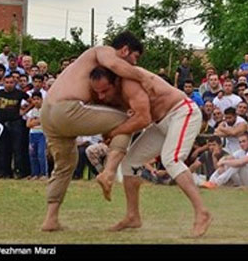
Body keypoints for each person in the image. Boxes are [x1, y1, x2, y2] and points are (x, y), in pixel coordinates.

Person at [38, 31, 153, 232]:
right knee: (129, 121)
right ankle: (108, 172)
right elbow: (118, 65)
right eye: (135, 57)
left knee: (65, 164)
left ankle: (50, 219)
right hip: (67, 109)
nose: (134, 64)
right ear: (125, 50)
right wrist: (144, 78)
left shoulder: (88, 67)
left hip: (47, 113)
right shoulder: (103, 51)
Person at [88, 65, 212, 237]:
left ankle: (202, 212)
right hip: (160, 123)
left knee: (172, 160)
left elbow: (143, 119)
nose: (101, 96)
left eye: (104, 90)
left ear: (114, 82)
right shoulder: (115, 91)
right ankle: (133, 216)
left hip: (183, 113)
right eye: (98, 92)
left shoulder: (130, 84)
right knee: (130, 163)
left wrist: (114, 133)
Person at [26, 91, 47, 180]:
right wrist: (38, 121)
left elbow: (45, 122)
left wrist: (35, 121)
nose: (36, 101)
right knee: (32, 154)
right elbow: (28, 125)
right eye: (34, 99)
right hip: (32, 134)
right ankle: (35, 173)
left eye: (38, 99)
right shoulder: (31, 112)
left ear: (42, 100)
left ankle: (43, 173)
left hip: (42, 134)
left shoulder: (45, 111)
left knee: (41, 153)